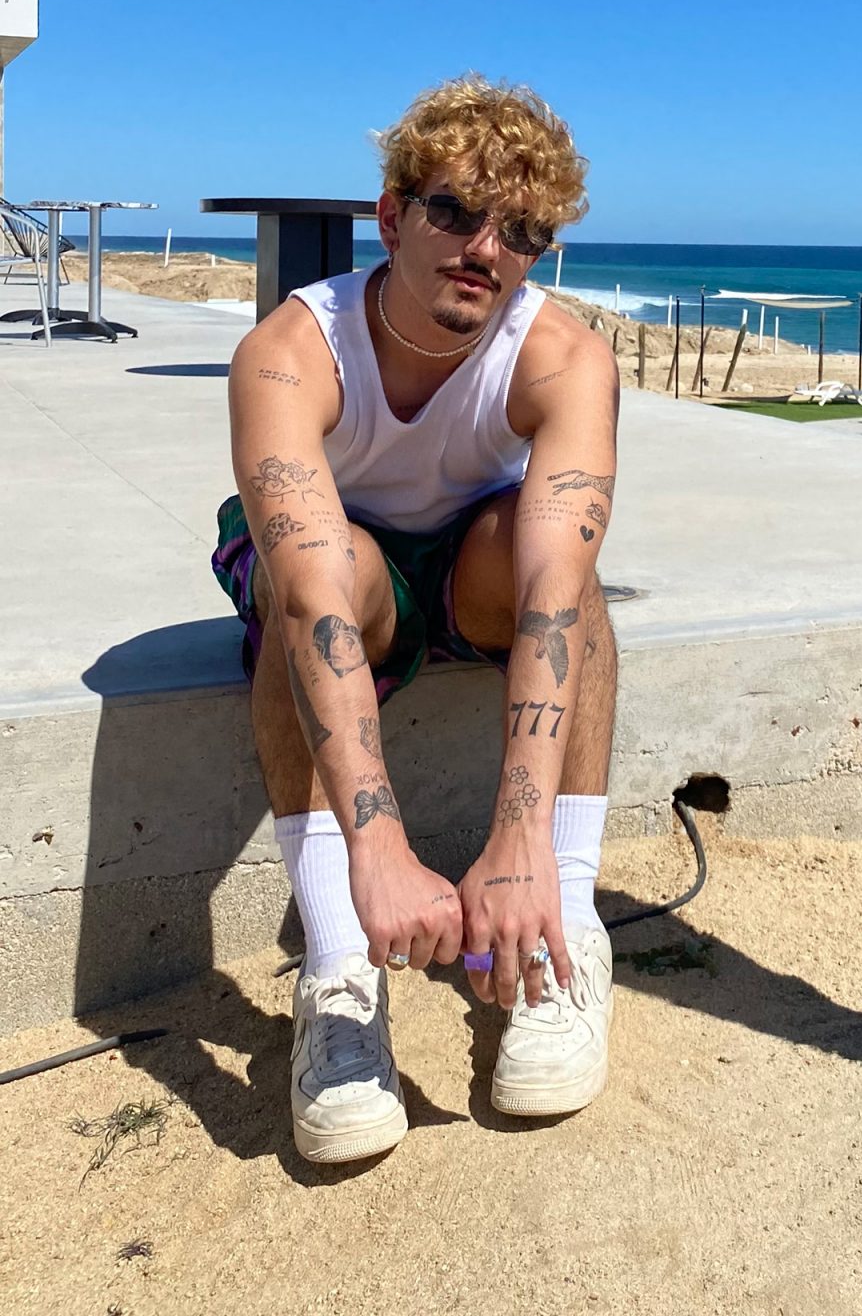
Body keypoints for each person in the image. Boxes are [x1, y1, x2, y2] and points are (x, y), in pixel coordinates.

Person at [211, 73, 619, 1164]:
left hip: (467, 562)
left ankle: (564, 927)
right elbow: (310, 595)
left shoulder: (566, 357)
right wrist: (377, 848)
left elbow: (551, 591)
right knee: (316, 576)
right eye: (456, 211)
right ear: (391, 217)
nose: (487, 248)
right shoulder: (292, 350)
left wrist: (522, 842)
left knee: (566, 567)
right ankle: (339, 963)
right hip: (345, 571)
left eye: (521, 230)